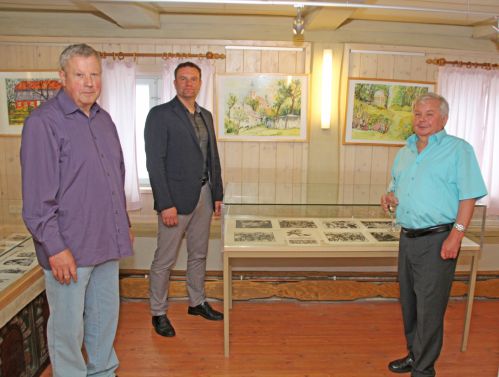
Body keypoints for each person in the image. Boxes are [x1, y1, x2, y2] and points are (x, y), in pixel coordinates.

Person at [20, 43, 133, 377]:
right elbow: (37, 199)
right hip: (68, 249)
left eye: (94, 74)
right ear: (62, 77)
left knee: (104, 320)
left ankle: (103, 373)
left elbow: (116, 177)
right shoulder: (43, 123)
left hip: (106, 243)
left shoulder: (104, 120)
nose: (89, 82)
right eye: (80, 74)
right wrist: (55, 248)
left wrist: (123, 222)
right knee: (67, 333)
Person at [381, 93, 487, 377]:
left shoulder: (458, 150)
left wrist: (457, 236)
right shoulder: (405, 151)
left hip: (438, 240)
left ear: (444, 118)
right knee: (411, 304)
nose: (422, 119)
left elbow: (468, 198)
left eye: (429, 114)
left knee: (430, 308)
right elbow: (396, 187)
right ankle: (415, 355)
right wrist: (390, 196)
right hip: (408, 238)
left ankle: (424, 369)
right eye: (418, 114)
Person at [144, 61, 224, 337]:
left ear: (200, 83)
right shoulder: (160, 115)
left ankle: (197, 301)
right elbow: (155, 162)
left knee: (199, 254)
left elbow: (213, 158)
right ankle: (158, 312)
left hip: (204, 194)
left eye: (193, 79)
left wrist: (218, 194)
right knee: (164, 260)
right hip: (174, 201)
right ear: (174, 83)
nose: (188, 83)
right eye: (183, 79)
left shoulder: (206, 116)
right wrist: (165, 203)